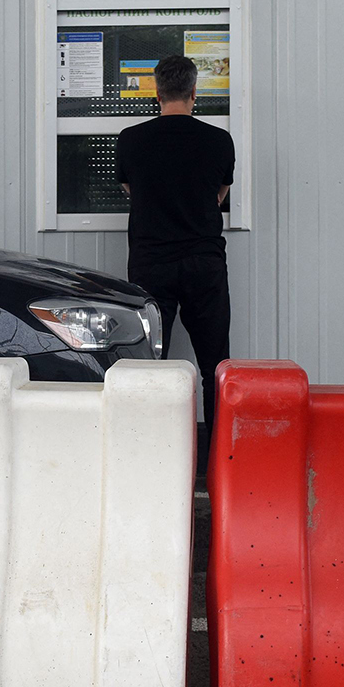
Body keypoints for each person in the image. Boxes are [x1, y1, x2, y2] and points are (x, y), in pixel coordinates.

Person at [116, 53, 235, 436]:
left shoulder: (131, 140)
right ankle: (218, 456)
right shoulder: (219, 141)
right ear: (194, 91)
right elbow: (220, 195)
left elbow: (131, 191)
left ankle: (150, 447)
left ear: (157, 92)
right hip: (204, 263)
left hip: (151, 264)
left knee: (148, 364)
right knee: (215, 364)